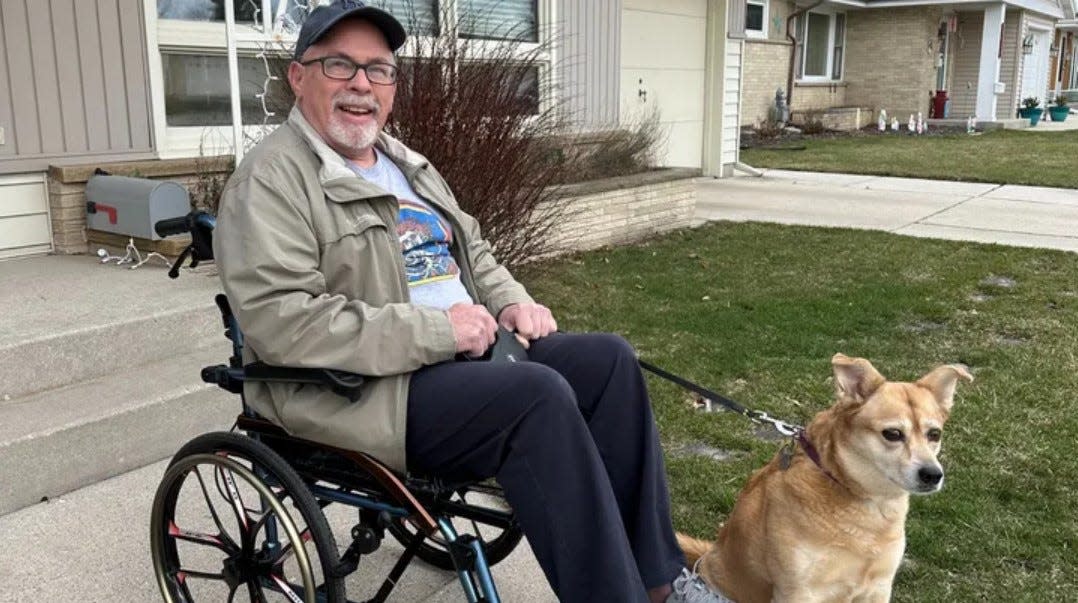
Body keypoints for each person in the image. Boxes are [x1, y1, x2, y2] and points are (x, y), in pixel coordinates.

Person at [213, 2, 728, 601]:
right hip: (361, 388)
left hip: (466, 353)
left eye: (379, 70)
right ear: (298, 77)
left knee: (609, 362)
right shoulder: (270, 181)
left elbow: (473, 251)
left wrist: (511, 302)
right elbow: (286, 324)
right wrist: (439, 331)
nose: (361, 84)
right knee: (536, 398)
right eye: (339, 65)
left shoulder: (405, 163)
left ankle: (659, 582)